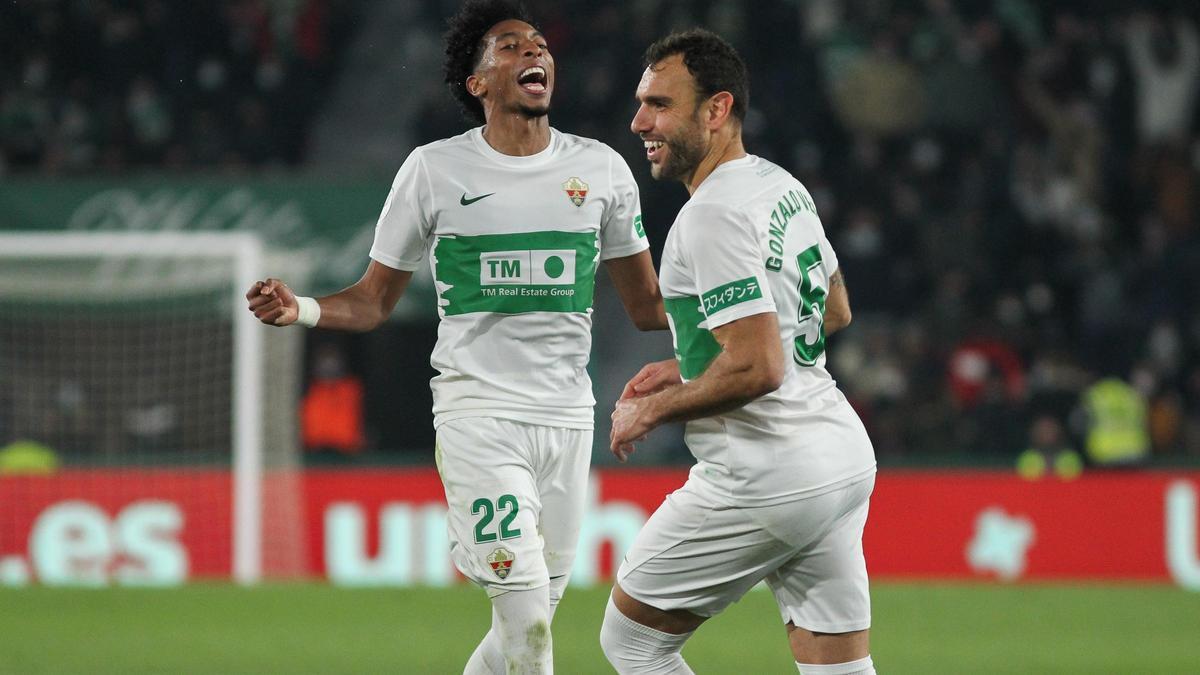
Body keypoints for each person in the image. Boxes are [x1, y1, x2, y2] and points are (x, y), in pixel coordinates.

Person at [247, 1, 665, 672]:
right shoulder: (434, 171)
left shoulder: (604, 171)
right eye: (509, 47)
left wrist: (743, 306)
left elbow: (647, 306)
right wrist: (303, 309)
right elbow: (373, 299)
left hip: (566, 418)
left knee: (523, 624)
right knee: (527, 616)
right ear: (478, 83)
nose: (534, 53)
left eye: (537, 44)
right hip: (479, 417)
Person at [603, 30, 878, 675]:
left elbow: (759, 365)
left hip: (765, 472)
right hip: (838, 456)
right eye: (641, 102)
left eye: (659, 104)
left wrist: (656, 409)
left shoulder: (712, 215)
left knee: (634, 643)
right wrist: (692, 361)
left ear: (716, 110)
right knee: (837, 668)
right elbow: (830, 311)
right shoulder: (779, 186)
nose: (639, 120)